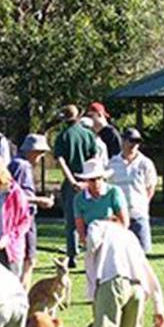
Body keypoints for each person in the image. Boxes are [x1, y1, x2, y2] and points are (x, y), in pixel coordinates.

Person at [8, 134, 55, 287]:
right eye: (40, 153)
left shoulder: (21, 164)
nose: (41, 157)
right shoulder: (21, 166)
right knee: (28, 261)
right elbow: (12, 195)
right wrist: (39, 200)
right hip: (22, 219)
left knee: (30, 260)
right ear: (32, 151)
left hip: (27, 218)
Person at [53, 104, 97, 268]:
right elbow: (94, 158)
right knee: (91, 219)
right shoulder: (88, 135)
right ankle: (92, 254)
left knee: (71, 221)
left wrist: (72, 181)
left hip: (72, 183)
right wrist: (88, 181)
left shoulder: (62, 136)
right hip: (89, 180)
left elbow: (61, 161)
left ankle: (72, 255)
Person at [109, 128, 158, 253]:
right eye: (131, 141)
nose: (134, 145)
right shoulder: (112, 163)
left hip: (138, 213)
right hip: (118, 215)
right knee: (119, 251)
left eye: (137, 142)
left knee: (142, 251)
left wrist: (143, 203)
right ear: (123, 141)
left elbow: (150, 186)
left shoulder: (145, 163)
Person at [73, 158, 129, 245]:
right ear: (86, 180)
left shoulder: (114, 192)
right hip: (92, 238)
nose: (96, 183)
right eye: (92, 180)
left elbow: (124, 222)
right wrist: (86, 242)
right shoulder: (79, 199)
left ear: (103, 178)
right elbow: (80, 227)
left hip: (114, 236)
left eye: (99, 178)